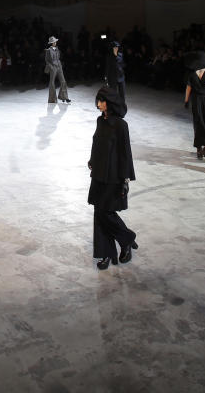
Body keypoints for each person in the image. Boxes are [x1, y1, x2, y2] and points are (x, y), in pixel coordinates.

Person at [87, 87, 137, 270]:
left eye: (101, 101)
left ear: (110, 102)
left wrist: (125, 180)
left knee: (105, 213)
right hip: (99, 174)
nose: (98, 104)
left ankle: (127, 239)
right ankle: (107, 253)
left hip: (114, 176)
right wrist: (92, 160)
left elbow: (126, 153)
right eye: (98, 101)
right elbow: (96, 143)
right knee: (99, 213)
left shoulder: (121, 125)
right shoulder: (100, 121)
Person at [44, 36, 71, 104]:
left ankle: (64, 97)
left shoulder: (57, 49)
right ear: (51, 43)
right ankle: (52, 99)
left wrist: (60, 65)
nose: (55, 42)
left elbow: (58, 58)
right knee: (52, 82)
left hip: (59, 66)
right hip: (53, 67)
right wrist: (51, 67)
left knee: (63, 81)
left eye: (55, 41)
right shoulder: (48, 50)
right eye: (54, 42)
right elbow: (47, 60)